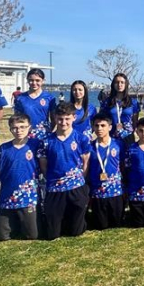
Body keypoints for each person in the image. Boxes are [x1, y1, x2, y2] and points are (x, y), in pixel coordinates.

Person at [37, 102, 91, 240]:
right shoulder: (46, 141)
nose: (63, 122)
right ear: (55, 118)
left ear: (74, 118)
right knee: (53, 234)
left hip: (76, 187)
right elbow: (44, 166)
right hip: (55, 188)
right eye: (60, 119)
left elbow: (86, 162)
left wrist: (80, 181)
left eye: (67, 118)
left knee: (75, 232)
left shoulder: (81, 138)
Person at [0, 114, 39, 241]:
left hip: (28, 198)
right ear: (10, 129)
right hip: (7, 198)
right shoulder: (3, 148)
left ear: (29, 127)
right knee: (2, 236)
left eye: (22, 127)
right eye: (15, 128)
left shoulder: (36, 145)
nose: (19, 131)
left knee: (31, 235)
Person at [86, 113, 125, 230]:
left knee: (116, 225)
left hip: (115, 192)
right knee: (101, 226)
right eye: (96, 126)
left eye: (103, 125)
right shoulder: (90, 147)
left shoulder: (119, 145)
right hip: (98, 193)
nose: (99, 129)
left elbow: (123, 166)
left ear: (110, 127)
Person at [13, 68, 58, 140]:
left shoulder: (49, 98)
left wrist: (49, 131)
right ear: (27, 80)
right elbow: (17, 119)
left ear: (43, 81)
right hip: (26, 135)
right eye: (31, 80)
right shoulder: (20, 98)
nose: (34, 83)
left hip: (44, 135)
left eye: (37, 80)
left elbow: (54, 119)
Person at [102, 73, 140, 142]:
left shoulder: (133, 102)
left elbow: (135, 121)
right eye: (117, 82)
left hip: (128, 136)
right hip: (111, 136)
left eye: (122, 82)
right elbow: (103, 120)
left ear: (126, 84)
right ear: (113, 84)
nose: (119, 85)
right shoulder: (107, 102)